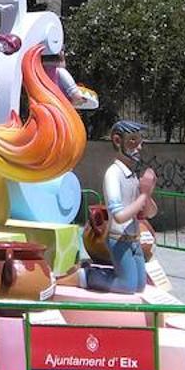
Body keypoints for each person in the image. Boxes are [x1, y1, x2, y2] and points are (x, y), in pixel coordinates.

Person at [60, 120, 157, 294]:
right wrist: (142, 196)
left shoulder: (132, 176)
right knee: (127, 286)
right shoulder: (113, 174)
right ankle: (85, 276)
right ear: (118, 141)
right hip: (119, 238)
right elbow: (119, 216)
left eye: (140, 141)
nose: (139, 147)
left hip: (134, 239)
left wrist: (147, 194)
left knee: (139, 285)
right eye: (133, 140)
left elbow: (150, 213)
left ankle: (100, 272)